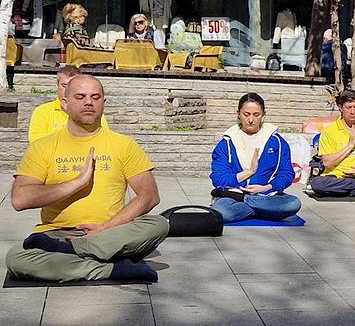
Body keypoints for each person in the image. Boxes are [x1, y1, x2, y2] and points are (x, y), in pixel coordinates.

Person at [5, 75, 169, 283]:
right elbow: (20, 199)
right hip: (56, 236)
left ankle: (75, 251)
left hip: (111, 234)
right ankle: (109, 269)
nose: (89, 102)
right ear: (65, 103)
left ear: (103, 103)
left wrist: (105, 228)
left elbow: (149, 196)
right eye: (80, 97)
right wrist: (77, 183)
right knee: (16, 258)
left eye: (95, 97)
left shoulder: (124, 144)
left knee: (158, 224)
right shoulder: (43, 147)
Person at [209, 93, 302, 223]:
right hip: (234, 195)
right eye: (246, 114)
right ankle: (262, 210)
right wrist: (249, 172)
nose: (251, 120)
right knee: (222, 211)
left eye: (256, 115)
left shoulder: (277, 142)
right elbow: (218, 178)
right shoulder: (226, 143)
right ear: (238, 114)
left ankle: (247, 205)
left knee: (293, 203)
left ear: (263, 115)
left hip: (267, 195)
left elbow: (286, 173)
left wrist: (266, 188)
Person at [28, 66, 109, 143]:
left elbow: (103, 139)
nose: (67, 90)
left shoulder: (92, 112)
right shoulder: (42, 111)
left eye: (73, 86)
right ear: (57, 86)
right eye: (64, 86)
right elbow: (36, 142)